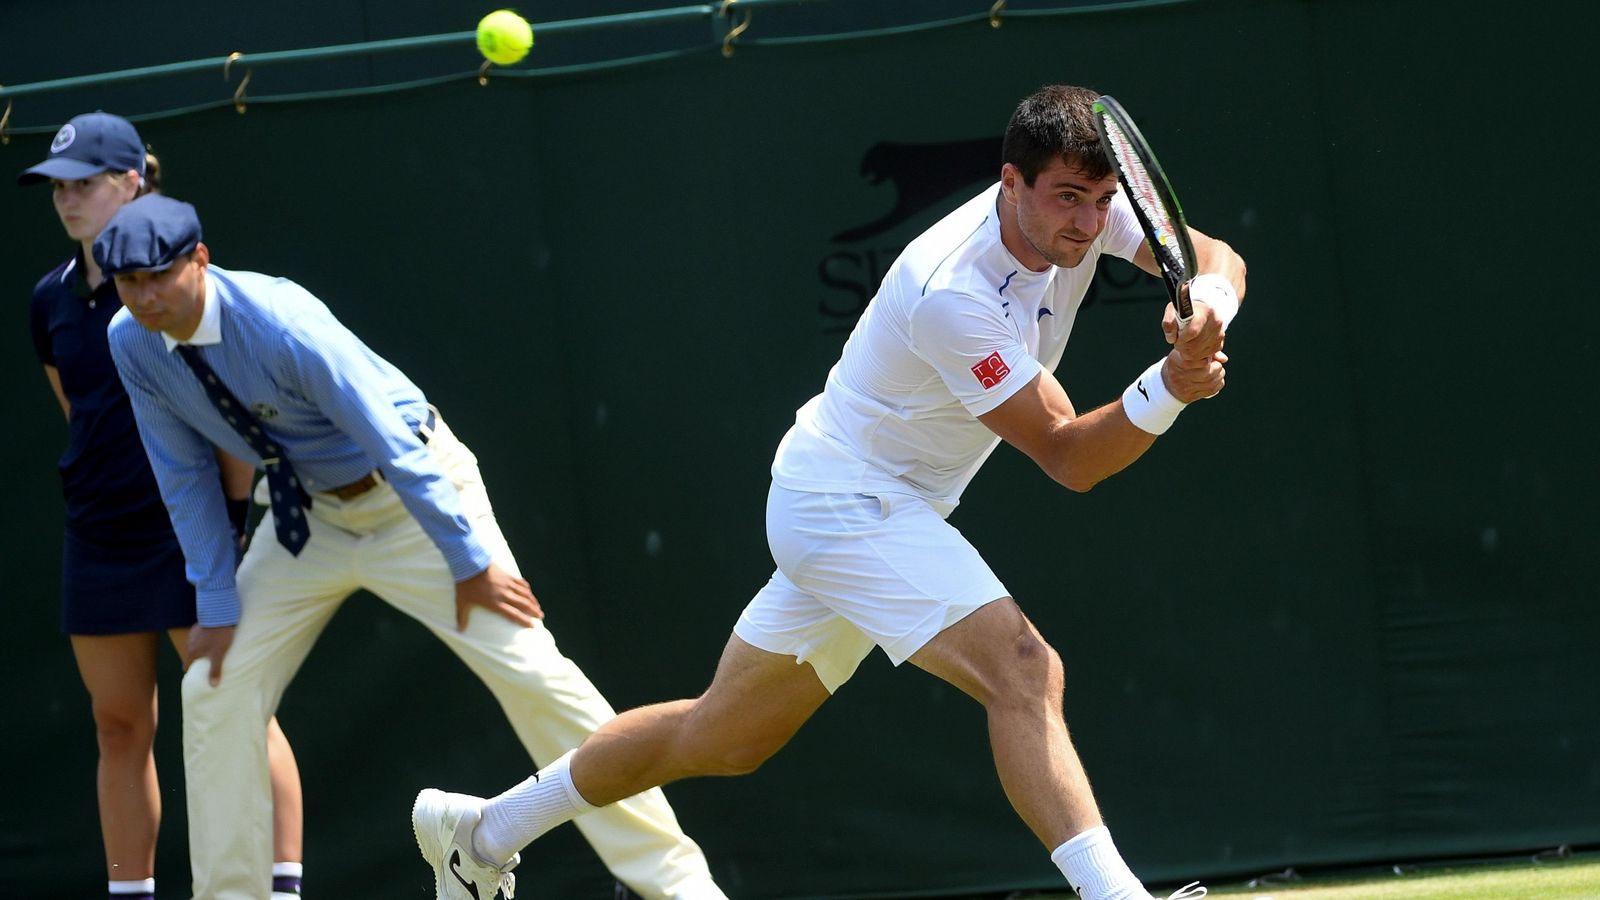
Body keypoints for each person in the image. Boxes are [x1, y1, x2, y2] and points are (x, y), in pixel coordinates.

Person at [412, 83, 1247, 900]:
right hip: (844, 501)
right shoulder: (952, 293)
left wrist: (1207, 303)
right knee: (1023, 670)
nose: (1090, 224)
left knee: (723, 736)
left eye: (1103, 202)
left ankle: (479, 834)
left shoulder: (1085, 213)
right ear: (1012, 183)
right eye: (1068, 199)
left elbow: (1220, 258)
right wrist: (1171, 386)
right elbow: (1069, 456)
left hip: (881, 505)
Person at [96, 192, 729, 900]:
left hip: (415, 502)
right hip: (308, 520)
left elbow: (392, 440)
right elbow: (181, 471)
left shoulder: (280, 322)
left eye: (159, 275)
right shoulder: (130, 341)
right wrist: (216, 601)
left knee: (534, 673)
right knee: (213, 685)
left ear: (200, 260)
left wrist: (467, 562)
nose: (145, 297)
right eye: (128, 282)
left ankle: (675, 886)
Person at [19, 112, 307, 900]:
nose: (67, 200)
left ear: (132, 181)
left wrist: (228, 527)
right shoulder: (49, 302)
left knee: (235, 710)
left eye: (84, 184)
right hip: (98, 536)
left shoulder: (180, 286)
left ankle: (281, 888)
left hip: (191, 533)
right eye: (57, 188)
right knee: (118, 724)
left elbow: (228, 423)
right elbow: (80, 413)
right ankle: (132, 892)